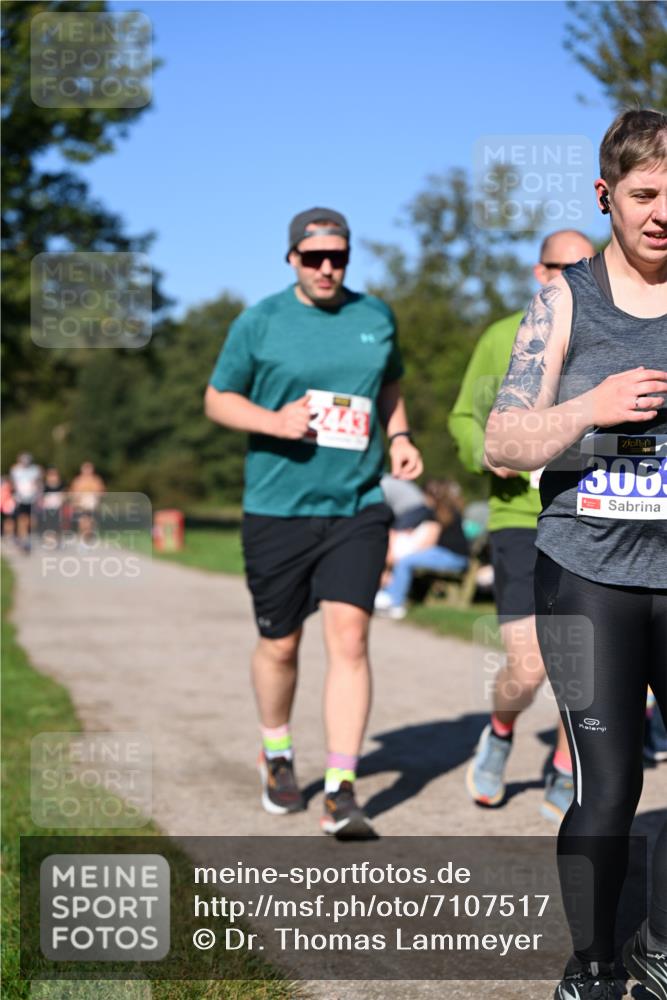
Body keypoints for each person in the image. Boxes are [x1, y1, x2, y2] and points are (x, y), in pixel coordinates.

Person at [484, 109, 666, 1000]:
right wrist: (591, 406)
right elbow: (500, 443)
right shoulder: (564, 301)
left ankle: (657, 947)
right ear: (606, 195)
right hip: (587, 574)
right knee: (609, 785)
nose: (661, 213)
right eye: (644, 194)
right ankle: (591, 967)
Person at [205, 208, 422, 838]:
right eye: (314, 257)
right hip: (278, 508)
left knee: (350, 639)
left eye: (338, 257)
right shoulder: (261, 320)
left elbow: (389, 387)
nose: (327, 268)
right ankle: (276, 751)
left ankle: (340, 789)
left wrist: (399, 435)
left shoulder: (375, 316)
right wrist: (273, 422)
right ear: (292, 259)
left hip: (356, 504)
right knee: (280, 643)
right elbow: (217, 398)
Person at [449, 229, 594, 822]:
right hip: (518, 517)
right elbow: (465, 418)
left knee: (583, 659)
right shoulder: (501, 335)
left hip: (588, 514)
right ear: (539, 272)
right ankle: (501, 729)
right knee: (530, 664)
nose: (571, 278)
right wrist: (485, 454)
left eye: (583, 266)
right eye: (560, 268)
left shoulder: (609, 332)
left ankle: (564, 765)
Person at [374, 478, 469, 618]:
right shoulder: (447, 511)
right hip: (451, 555)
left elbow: (429, 541)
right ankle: (389, 596)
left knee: (405, 561)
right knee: (404, 559)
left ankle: (395, 603)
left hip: (453, 557)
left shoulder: (438, 514)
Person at [9, 452, 42, 553]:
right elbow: (13, 484)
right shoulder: (15, 470)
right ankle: (23, 539)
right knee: (21, 519)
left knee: (31, 520)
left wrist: (38, 494)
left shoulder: (35, 470)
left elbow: (38, 483)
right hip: (20, 499)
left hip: (32, 499)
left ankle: (27, 537)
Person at [69, 462, 105, 543]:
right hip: (81, 504)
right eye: (86, 469)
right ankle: (83, 537)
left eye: (89, 469)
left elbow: (101, 492)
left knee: (90, 522)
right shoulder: (78, 481)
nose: (87, 471)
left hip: (91, 505)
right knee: (82, 522)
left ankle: (88, 537)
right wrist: (75, 501)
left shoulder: (96, 480)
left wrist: (96, 497)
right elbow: (73, 493)